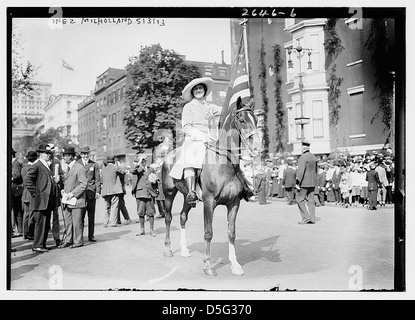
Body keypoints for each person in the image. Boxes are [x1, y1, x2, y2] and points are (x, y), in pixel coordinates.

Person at [169, 77, 223, 206]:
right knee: (191, 159)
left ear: (204, 91)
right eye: (196, 89)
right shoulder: (189, 107)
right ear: (193, 92)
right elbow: (186, 126)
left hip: (210, 138)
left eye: (201, 88)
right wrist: (200, 136)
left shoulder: (210, 107)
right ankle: (191, 192)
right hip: (194, 138)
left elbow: (224, 110)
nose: (199, 90)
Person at [25, 144, 58, 253]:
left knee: (44, 223)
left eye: (49, 153)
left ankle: (41, 244)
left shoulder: (45, 165)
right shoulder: (37, 165)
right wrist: (36, 193)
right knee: (40, 223)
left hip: (47, 200)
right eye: (46, 153)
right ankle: (37, 245)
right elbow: (27, 180)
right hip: (41, 200)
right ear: (41, 154)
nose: (49, 155)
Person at [58, 146, 87, 249]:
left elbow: (83, 184)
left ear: (70, 156)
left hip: (76, 200)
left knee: (77, 222)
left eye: (65, 156)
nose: (63, 158)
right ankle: (68, 240)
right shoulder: (67, 168)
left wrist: (72, 194)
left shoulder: (79, 168)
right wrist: (63, 191)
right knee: (68, 222)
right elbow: (68, 183)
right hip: (68, 201)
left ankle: (78, 241)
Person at [77, 145, 101, 242]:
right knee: (80, 216)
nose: (85, 156)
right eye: (83, 154)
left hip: (91, 194)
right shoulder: (77, 164)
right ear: (81, 154)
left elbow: (97, 179)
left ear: (89, 154)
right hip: (81, 194)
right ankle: (80, 236)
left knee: (91, 216)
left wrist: (98, 191)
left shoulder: (94, 165)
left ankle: (91, 235)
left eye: (87, 154)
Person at [131, 155, 159, 236]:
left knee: (151, 212)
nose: (143, 161)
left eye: (145, 160)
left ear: (147, 160)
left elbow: (156, 180)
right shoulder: (138, 169)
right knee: (141, 212)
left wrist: (154, 181)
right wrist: (138, 163)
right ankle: (142, 229)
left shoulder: (151, 169)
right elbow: (132, 171)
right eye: (142, 160)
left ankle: (151, 230)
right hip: (140, 193)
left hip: (150, 193)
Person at [295, 141, 318, 224]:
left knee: (300, 200)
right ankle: (312, 219)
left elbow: (301, 171)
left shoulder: (303, 157)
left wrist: (298, 182)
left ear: (303, 148)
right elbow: (316, 171)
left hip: (304, 182)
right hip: (312, 182)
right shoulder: (314, 157)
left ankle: (306, 217)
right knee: (311, 201)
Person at [46, 143, 64, 247]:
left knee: (55, 217)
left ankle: (57, 238)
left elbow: (61, 175)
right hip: (44, 194)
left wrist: (60, 185)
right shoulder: (41, 162)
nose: (51, 152)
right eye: (49, 150)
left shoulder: (57, 162)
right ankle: (42, 241)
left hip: (54, 194)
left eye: (53, 150)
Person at [100, 156, 125, 227]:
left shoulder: (103, 170)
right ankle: (113, 222)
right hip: (114, 190)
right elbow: (123, 172)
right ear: (114, 162)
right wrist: (118, 165)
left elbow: (101, 180)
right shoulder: (115, 168)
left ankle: (105, 222)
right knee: (114, 206)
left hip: (105, 190)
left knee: (106, 207)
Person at [21, 150, 38, 240]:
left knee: (26, 214)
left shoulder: (23, 168)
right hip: (31, 193)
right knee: (31, 214)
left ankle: (25, 233)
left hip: (24, 194)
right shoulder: (33, 168)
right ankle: (31, 233)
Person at [11, 148, 24, 237]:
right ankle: (19, 230)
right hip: (17, 189)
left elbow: (16, 175)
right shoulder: (15, 163)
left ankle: (19, 230)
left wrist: (10, 178)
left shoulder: (15, 163)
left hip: (16, 190)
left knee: (17, 210)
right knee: (17, 210)